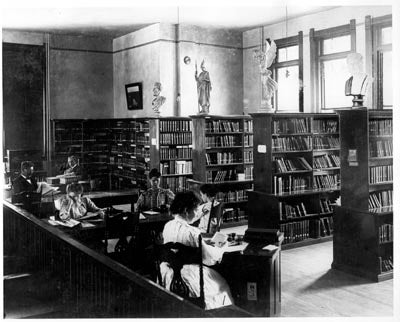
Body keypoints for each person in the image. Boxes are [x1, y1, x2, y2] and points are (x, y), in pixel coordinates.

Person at [160, 191, 234, 310]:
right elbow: (209, 259)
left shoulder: (168, 226)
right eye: (195, 210)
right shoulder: (193, 233)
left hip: (170, 275)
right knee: (221, 285)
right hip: (191, 277)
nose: (197, 213)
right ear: (185, 210)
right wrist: (222, 247)